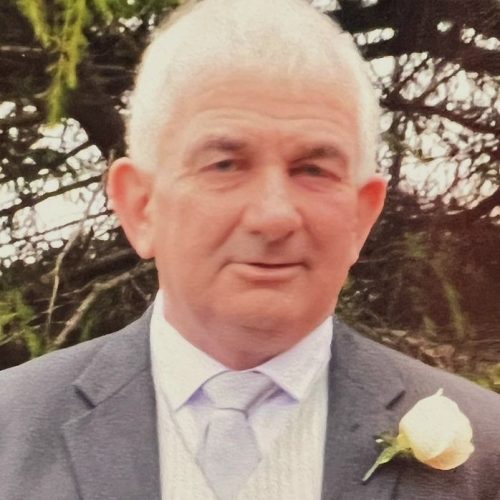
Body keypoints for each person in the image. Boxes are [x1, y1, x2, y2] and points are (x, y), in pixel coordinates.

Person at [1, 0, 499, 499]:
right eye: (225, 165)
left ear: (361, 216)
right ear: (141, 206)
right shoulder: (10, 432)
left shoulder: (489, 458)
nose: (273, 216)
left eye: (313, 170)